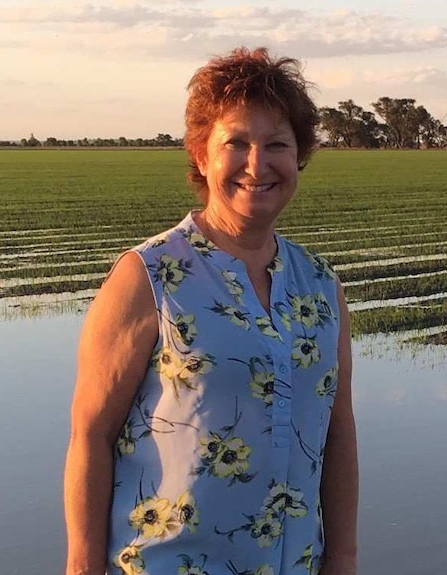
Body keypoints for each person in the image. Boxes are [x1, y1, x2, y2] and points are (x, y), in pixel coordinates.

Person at [64, 47, 358, 575]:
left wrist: (344, 557)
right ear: (201, 155)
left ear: (299, 157)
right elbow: (91, 434)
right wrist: (82, 566)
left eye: (277, 145)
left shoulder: (321, 286)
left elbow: (337, 432)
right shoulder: (148, 276)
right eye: (236, 143)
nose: (256, 164)